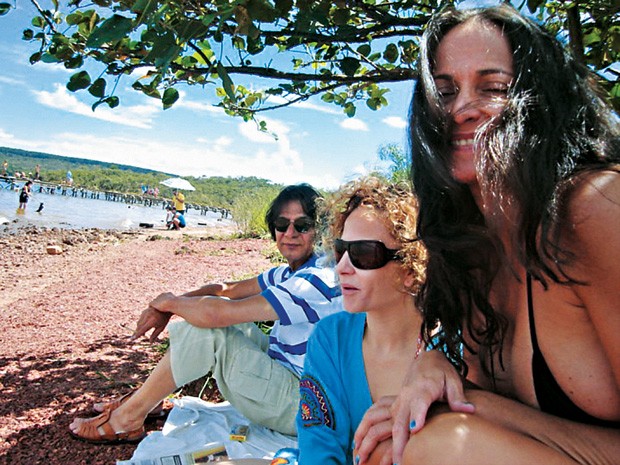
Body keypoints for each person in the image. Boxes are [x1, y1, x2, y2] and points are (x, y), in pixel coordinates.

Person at [354, 5, 620, 465]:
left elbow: (480, 426)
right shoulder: (470, 249)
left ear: (543, 101)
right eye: (444, 92)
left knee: (434, 443)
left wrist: (482, 406)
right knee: (388, 438)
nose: (460, 109)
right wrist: (435, 365)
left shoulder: (596, 206)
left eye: (493, 88)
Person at [69, 183, 343, 444]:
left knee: (210, 332)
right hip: (297, 383)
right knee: (231, 327)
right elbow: (225, 290)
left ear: (319, 231)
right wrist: (165, 306)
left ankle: (127, 419)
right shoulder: (289, 272)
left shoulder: (315, 280)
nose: (290, 233)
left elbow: (216, 314)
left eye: (302, 225)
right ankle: (143, 401)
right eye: (282, 224)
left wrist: (169, 303)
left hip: (306, 410)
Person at [296, 177, 427, 465]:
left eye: (364, 254)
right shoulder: (330, 338)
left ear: (410, 267)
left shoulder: (451, 350)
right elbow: (316, 447)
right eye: (341, 250)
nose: (342, 267)